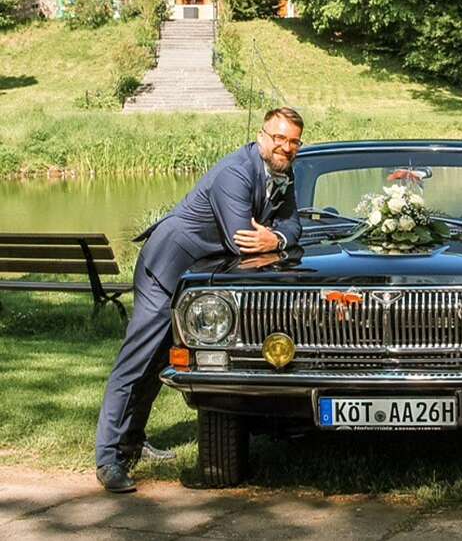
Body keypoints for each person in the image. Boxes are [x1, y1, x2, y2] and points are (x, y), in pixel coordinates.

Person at [94, 107, 305, 493]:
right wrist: (266, 236)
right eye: (279, 138)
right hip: (168, 269)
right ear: (262, 137)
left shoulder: (283, 174)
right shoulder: (235, 173)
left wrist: (276, 239)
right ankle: (109, 459)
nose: (285, 147)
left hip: (197, 281)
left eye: (293, 141)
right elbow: (240, 240)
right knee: (137, 361)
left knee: (159, 362)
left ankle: (132, 441)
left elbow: (293, 225)